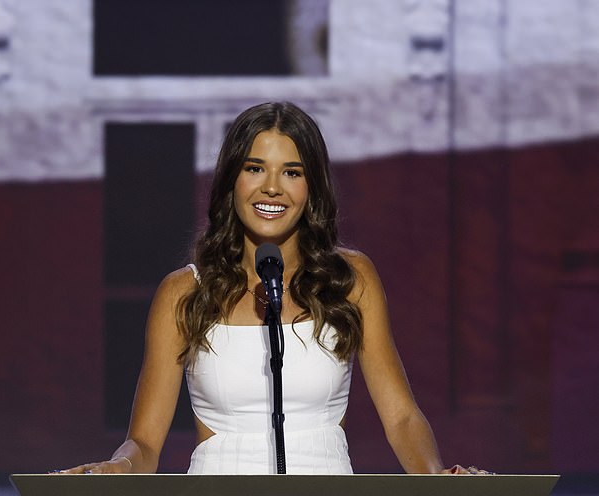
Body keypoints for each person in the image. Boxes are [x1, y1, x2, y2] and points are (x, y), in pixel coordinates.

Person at [60, 102, 484, 476]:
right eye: (255, 168)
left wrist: (436, 477)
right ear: (232, 181)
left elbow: (402, 418)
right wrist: (119, 466)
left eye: (292, 172)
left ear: (311, 187)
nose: (272, 187)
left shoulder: (350, 279)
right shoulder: (184, 293)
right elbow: (146, 443)